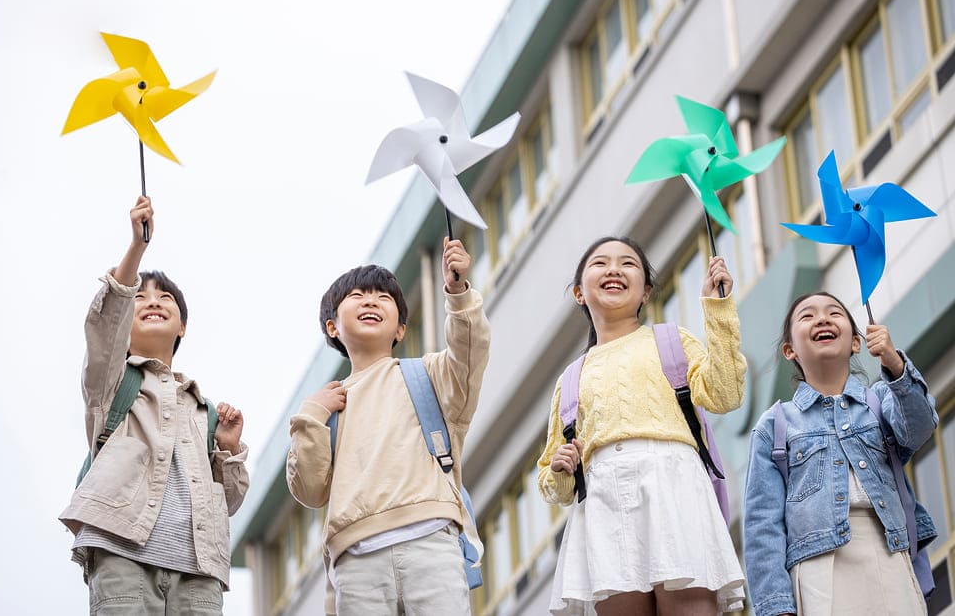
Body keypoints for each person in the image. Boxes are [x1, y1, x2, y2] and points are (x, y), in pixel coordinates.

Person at [60, 196, 250, 615]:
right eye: (140, 298)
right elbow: (105, 327)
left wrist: (230, 449)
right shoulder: (113, 383)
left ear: (183, 324)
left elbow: (229, 502)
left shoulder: (205, 410)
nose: (153, 301)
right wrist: (136, 248)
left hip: (198, 571)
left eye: (165, 296)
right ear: (126, 324)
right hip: (123, 553)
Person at [538, 236, 747, 615]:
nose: (614, 269)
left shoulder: (672, 341)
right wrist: (560, 468)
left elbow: (726, 393)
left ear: (646, 292)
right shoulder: (571, 378)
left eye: (628, 263)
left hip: (674, 488)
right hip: (603, 503)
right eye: (600, 263)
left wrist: (717, 310)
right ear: (579, 293)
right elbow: (554, 484)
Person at [286, 237, 490, 616]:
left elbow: (469, 352)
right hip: (357, 560)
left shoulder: (428, 375)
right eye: (357, 295)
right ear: (332, 326)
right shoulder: (326, 405)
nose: (370, 301)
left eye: (383, 297)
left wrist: (459, 293)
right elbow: (309, 489)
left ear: (400, 329)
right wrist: (311, 416)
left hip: (431, 542)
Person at [742, 292, 938, 616]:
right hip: (817, 566)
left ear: (856, 343)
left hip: (887, 550)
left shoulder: (879, 401)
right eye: (807, 316)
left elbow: (920, 427)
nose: (822, 318)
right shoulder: (775, 425)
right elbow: (762, 527)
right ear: (789, 350)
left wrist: (894, 363)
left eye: (834, 313)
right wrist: (776, 608)